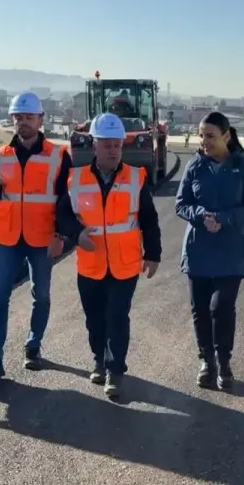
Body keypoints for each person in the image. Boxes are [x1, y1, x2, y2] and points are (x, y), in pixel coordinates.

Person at [56, 112, 162, 397]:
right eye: (108, 145)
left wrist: (153, 254)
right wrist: (76, 234)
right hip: (90, 265)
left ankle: (115, 370)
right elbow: (62, 216)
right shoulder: (75, 180)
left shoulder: (136, 179)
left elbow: (149, 220)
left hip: (125, 265)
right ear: (95, 146)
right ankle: (99, 362)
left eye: (117, 145)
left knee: (117, 316)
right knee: (94, 319)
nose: (114, 151)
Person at [0, 91, 72, 380]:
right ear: (12, 120)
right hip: (7, 238)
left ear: (40, 119)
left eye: (29, 117)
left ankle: (33, 346)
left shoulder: (58, 156)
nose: (24, 122)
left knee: (40, 294)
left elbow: (66, 199)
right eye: (19, 117)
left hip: (43, 237)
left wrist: (60, 235)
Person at [175, 112, 244, 390]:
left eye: (210, 136)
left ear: (226, 136)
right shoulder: (194, 167)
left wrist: (222, 219)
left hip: (231, 250)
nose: (203, 141)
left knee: (221, 307)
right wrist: (201, 215)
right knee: (199, 309)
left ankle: (224, 362)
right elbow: (181, 204)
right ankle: (206, 361)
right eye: (201, 136)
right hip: (198, 248)